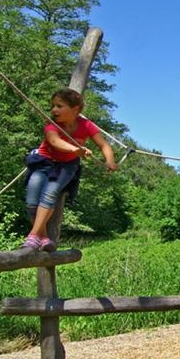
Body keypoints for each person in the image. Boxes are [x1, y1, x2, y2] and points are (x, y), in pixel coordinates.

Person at [23, 88, 117, 251]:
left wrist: (110, 161)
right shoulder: (51, 124)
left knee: (50, 194)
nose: (54, 110)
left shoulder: (86, 125)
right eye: (53, 106)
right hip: (44, 162)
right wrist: (76, 149)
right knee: (32, 201)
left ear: (75, 109)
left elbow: (104, 145)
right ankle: (44, 238)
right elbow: (54, 141)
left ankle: (33, 236)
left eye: (59, 106)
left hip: (66, 166)